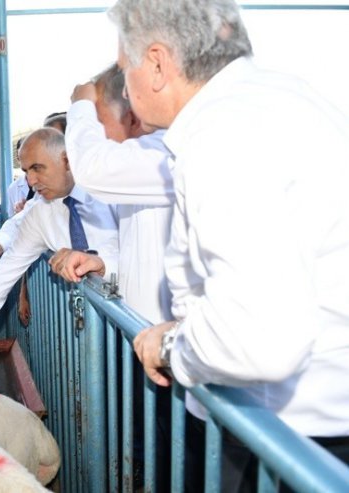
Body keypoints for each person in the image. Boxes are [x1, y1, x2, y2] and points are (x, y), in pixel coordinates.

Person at [106, 0, 349, 486]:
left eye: (123, 68)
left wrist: (171, 346)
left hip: (285, 443)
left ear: (157, 63)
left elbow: (261, 339)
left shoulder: (224, 132)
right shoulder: (280, 98)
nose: (123, 84)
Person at [0, 127, 119, 361]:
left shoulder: (113, 193)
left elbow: (148, 256)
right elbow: (9, 267)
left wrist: (103, 265)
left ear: (67, 161)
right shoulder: (39, 214)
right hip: (98, 328)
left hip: (142, 317)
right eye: (26, 171)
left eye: (37, 168)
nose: (30, 181)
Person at [55, 63, 174, 325]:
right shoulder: (137, 171)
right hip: (150, 338)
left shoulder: (165, 151)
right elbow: (144, 257)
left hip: (177, 347)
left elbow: (90, 169)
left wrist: (81, 106)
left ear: (130, 115)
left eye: (99, 123)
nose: (96, 137)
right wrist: (103, 263)